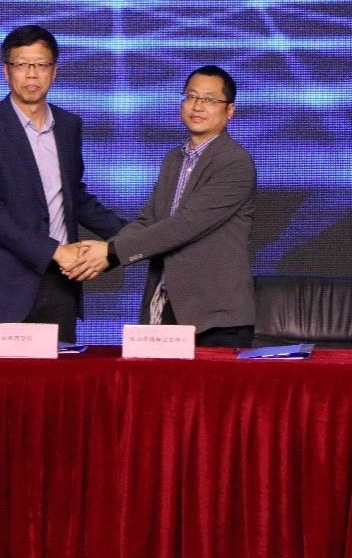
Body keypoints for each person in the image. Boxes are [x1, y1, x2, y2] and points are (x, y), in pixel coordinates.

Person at [0, 24, 127, 343]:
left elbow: (74, 197)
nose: (31, 74)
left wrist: (133, 237)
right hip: (1, 289)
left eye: (41, 64)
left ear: (54, 71)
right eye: (22, 64)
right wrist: (56, 251)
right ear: (6, 71)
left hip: (60, 287)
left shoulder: (68, 126)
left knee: (60, 375)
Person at [65, 65, 256, 347]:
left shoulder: (235, 162)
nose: (197, 106)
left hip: (216, 316)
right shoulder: (173, 160)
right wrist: (105, 253)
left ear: (229, 111)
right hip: (165, 307)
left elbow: (184, 226)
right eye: (191, 96)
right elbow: (149, 221)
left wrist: (112, 252)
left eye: (209, 100)